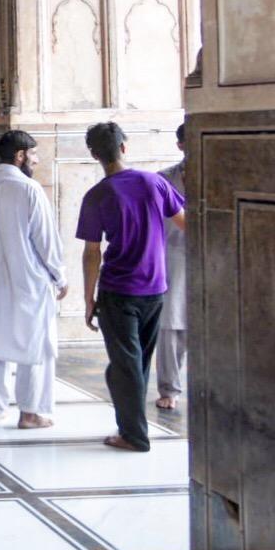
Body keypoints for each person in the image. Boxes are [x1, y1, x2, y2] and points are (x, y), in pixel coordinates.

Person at [77, 121, 186, 452]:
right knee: (134, 363)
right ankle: (131, 425)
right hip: (155, 289)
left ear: (94, 154)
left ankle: (134, 435)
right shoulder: (155, 182)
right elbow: (185, 222)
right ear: (124, 147)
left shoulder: (97, 195)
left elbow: (92, 252)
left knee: (126, 365)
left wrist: (88, 299)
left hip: (119, 290)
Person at [0, 130, 68, 429]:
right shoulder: (29, 189)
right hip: (28, 277)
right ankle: (32, 411)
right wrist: (59, 275)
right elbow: (45, 240)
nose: (36, 160)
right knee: (36, 345)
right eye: (34, 154)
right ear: (20, 155)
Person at [156, 123, 188, 411]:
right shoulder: (164, 180)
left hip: (218, 255)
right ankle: (169, 387)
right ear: (180, 145)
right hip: (174, 255)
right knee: (171, 324)